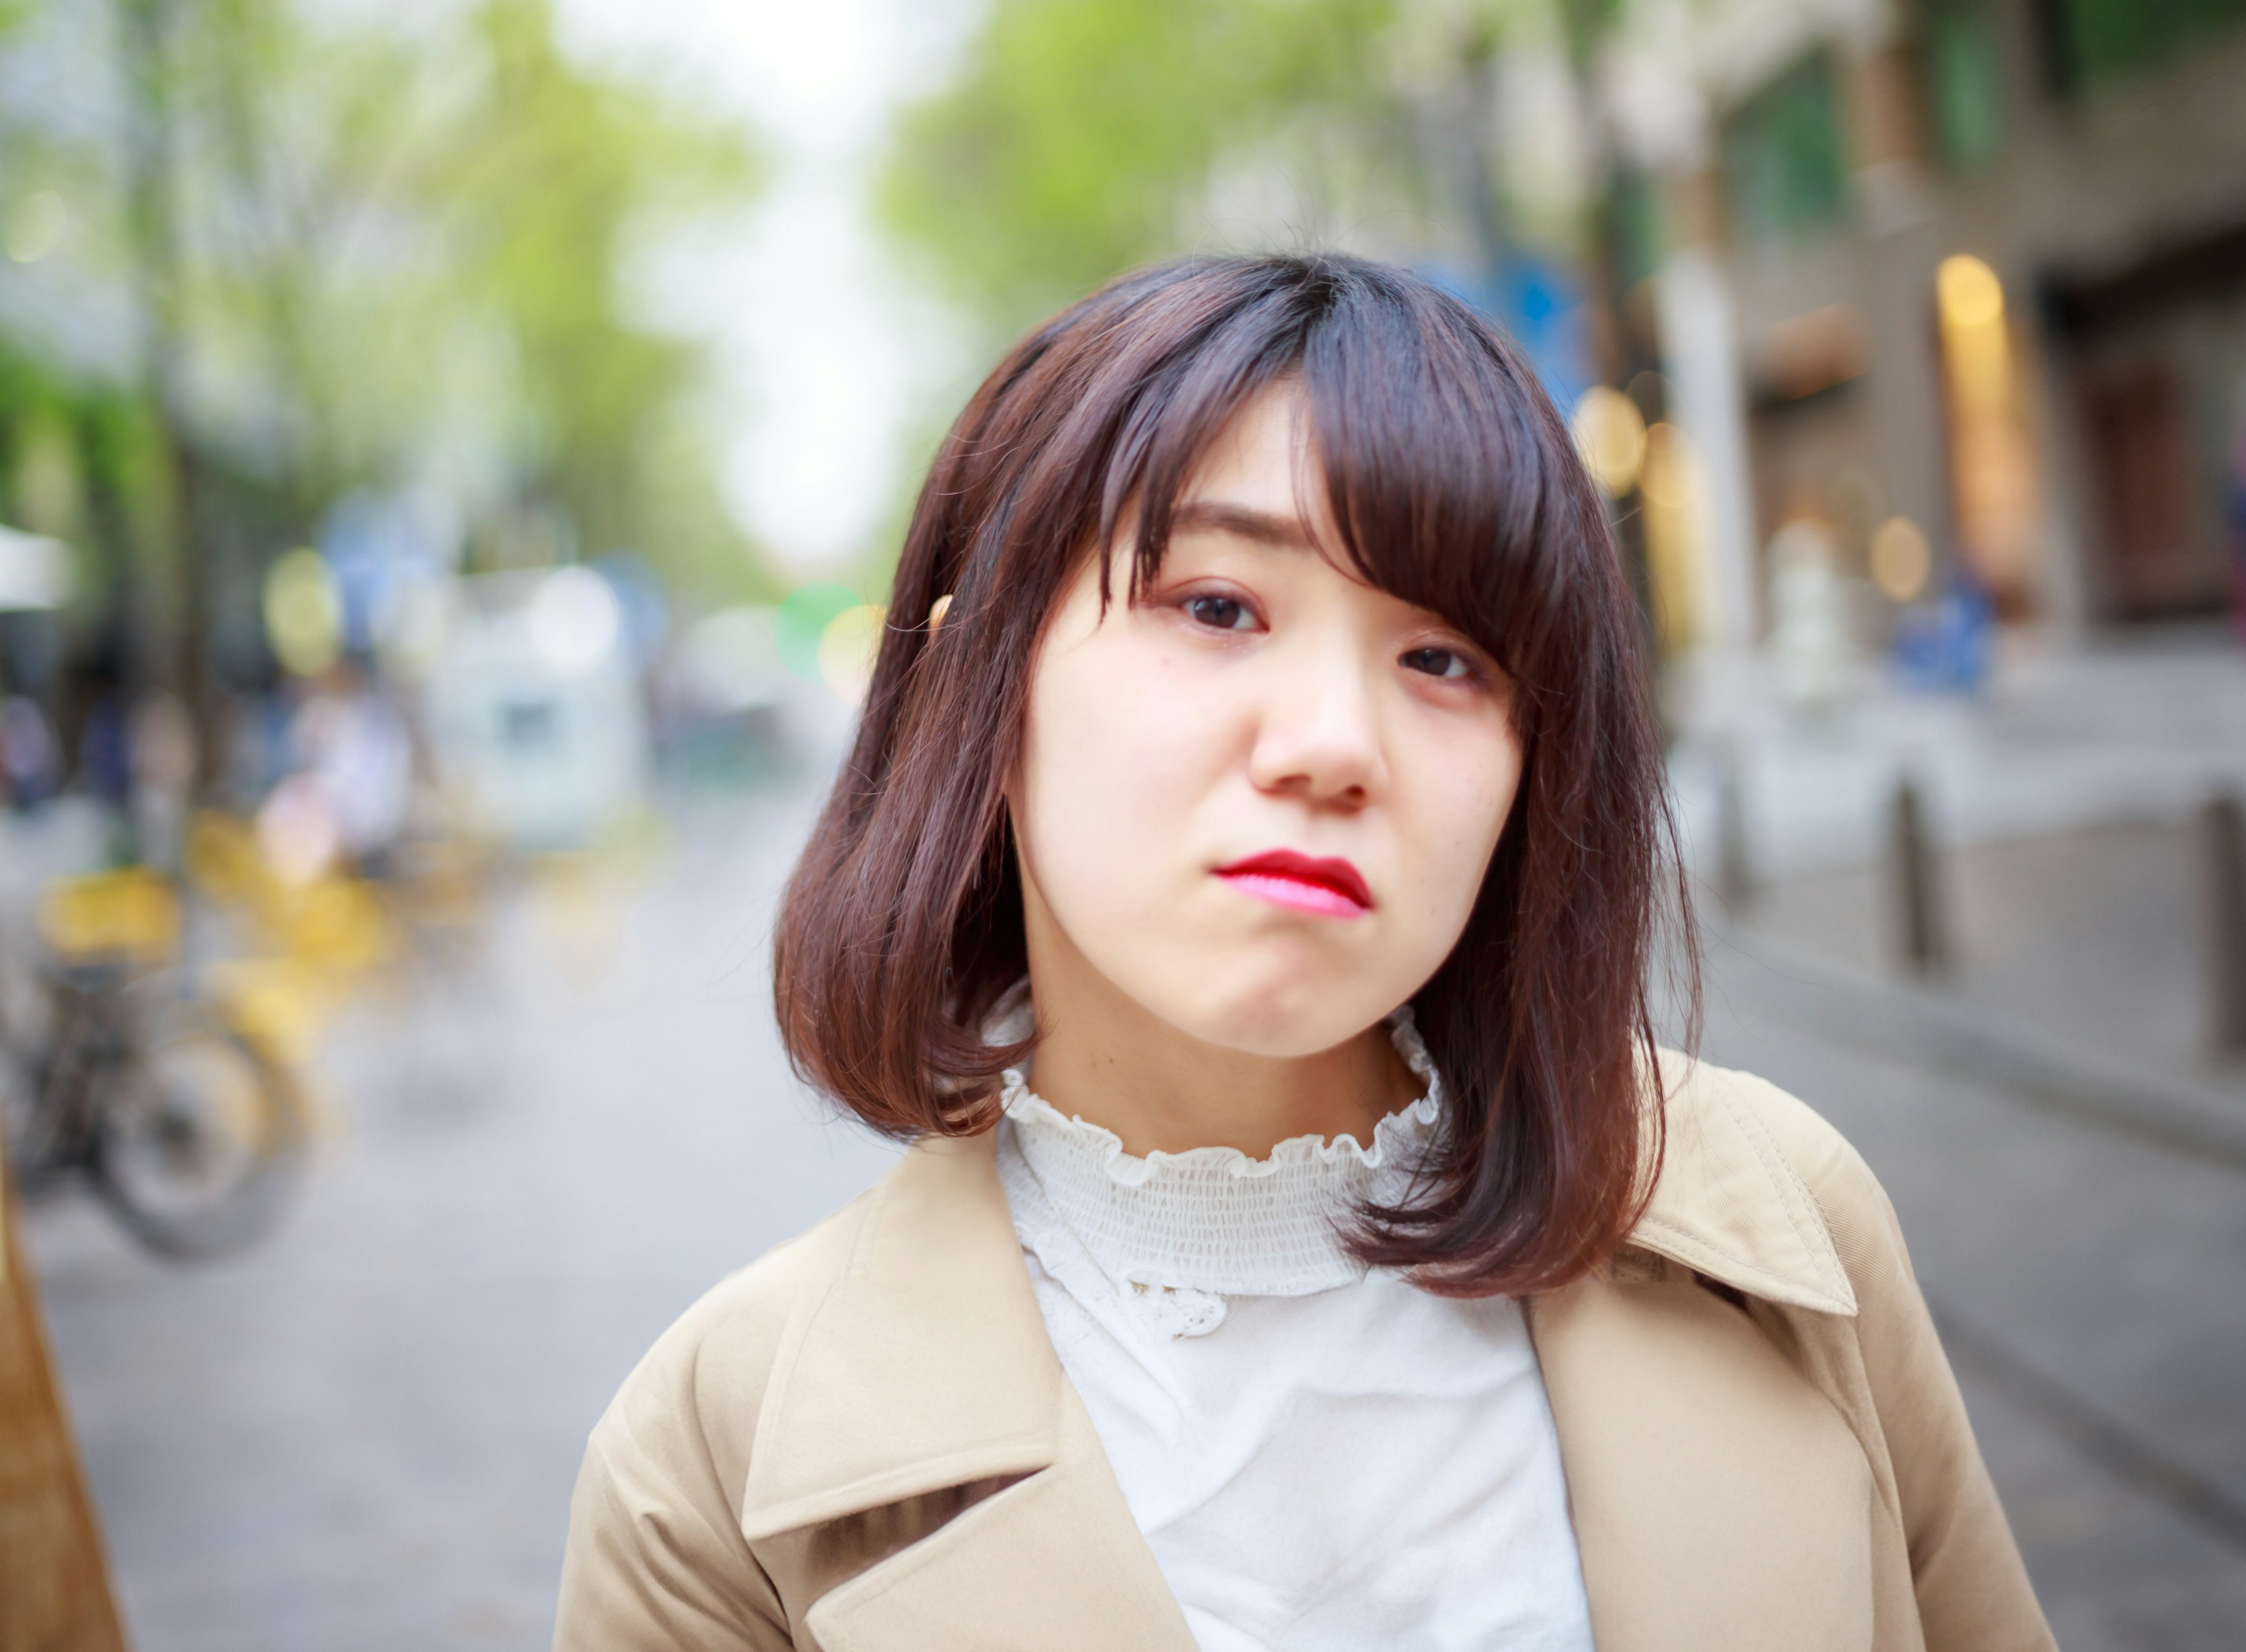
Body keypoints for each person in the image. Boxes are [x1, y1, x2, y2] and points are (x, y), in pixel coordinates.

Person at [554, 254, 2055, 1651]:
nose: (1336, 743)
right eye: (1217, 605)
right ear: (978, 687)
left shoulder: (1781, 1219)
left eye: (1444, 659)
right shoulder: (718, 1465)